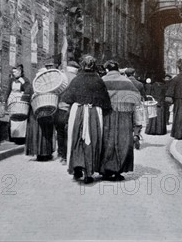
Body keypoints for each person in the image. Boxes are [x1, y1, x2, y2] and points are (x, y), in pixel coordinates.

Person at [63, 54, 111, 184]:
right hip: (94, 112)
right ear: (94, 66)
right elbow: (106, 102)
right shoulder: (98, 81)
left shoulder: (77, 80)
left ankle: (77, 168)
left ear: (82, 65)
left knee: (76, 139)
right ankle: (89, 172)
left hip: (77, 112)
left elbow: (67, 98)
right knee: (92, 141)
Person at [100, 60, 142, 181]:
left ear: (107, 69)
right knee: (123, 142)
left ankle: (106, 170)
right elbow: (136, 100)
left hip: (107, 115)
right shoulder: (127, 81)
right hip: (125, 115)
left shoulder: (103, 80)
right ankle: (118, 171)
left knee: (107, 141)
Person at [25, 59, 56, 161]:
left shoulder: (31, 85)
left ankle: (40, 153)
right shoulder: (49, 85)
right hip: (45, 112)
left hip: (35, 113)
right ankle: (45, 153)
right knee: (44, 133)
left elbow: (25, 99)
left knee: (40, 132)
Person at [55, 60, 80, 163]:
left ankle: (62, 155)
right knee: (69, 133)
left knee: (60, 132)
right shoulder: (77, 79)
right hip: (71, 109)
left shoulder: (60, 76)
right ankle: (69, 155)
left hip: (59, 108)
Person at [5, 64, 31, 144]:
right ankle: (13, 137)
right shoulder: (11, 80)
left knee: (21, 118)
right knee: (13, 118)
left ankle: (21, 137)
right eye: (13, 72)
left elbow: (28, 89)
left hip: (21, 101)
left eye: (15, 72)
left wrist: (23, 83)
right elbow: (8, 90)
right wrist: (6, 100)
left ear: (20, 71)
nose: (14, 74)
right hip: (13, 100)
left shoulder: (25, 80)